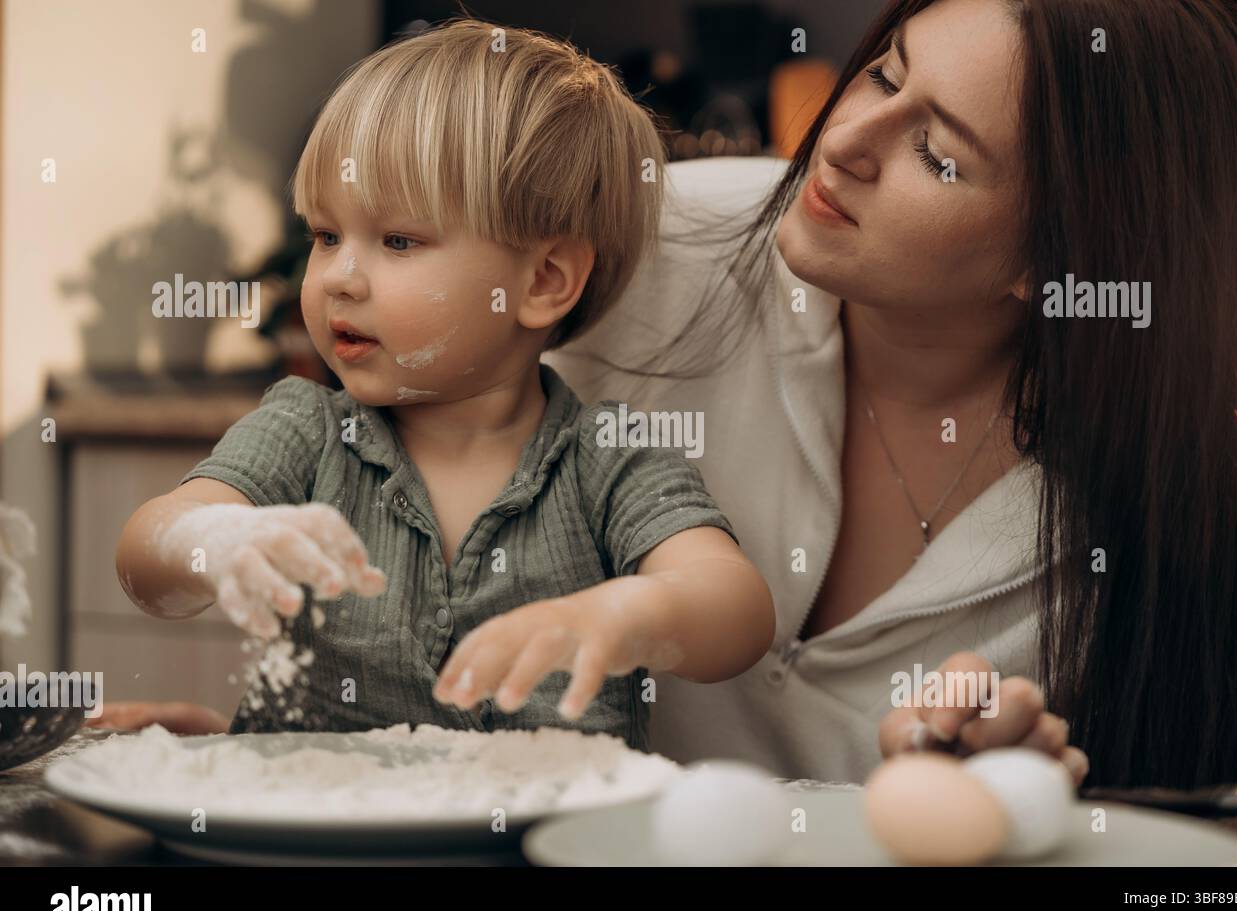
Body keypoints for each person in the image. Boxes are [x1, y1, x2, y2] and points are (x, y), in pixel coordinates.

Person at [546, 0, 1237, 789]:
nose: (838, 143)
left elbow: (1194, 890)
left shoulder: (1179, 521)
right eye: (883, 76)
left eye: (937, 155)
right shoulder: (638, 239)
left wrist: (1027, 801)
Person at [112, 19, 774, 750]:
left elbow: (735, 614)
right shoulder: (304, 431)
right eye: (326, 236)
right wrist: (217, 536)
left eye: (398, 241)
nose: (338, 277)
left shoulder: (610, 457)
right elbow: (147, 556)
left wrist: (624, 615)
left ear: (544, 281)